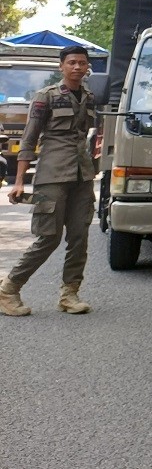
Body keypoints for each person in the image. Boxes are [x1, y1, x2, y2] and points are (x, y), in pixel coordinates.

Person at [0, 45, 97, 317]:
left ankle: (70, 294)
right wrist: (19, 182)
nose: (77, 67)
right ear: (62, 67)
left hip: (82, 175)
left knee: (79, 237)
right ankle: (8, 289)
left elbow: (86, 136)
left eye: (82, 63)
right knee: (48, 238)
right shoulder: (47, 96)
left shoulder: (89, 96)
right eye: (72, 63)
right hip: (52, 176)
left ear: (87, 66)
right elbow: (29, 140)